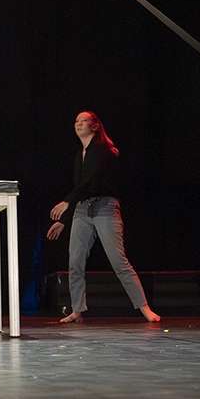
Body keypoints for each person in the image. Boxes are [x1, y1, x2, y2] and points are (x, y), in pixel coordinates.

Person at [47, 112, 161, 324]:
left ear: (95, 126)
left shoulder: (103, 150)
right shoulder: (78, 155)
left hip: (104, 208)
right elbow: (80, 189)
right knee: (75, 261)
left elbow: (92, 181)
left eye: (84, 121)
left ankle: (144, 307)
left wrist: (66, 202)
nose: (78, 124)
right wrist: (65, 219)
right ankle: (77, 309)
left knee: (119, 261)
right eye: (76, 122)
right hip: (82, 210)